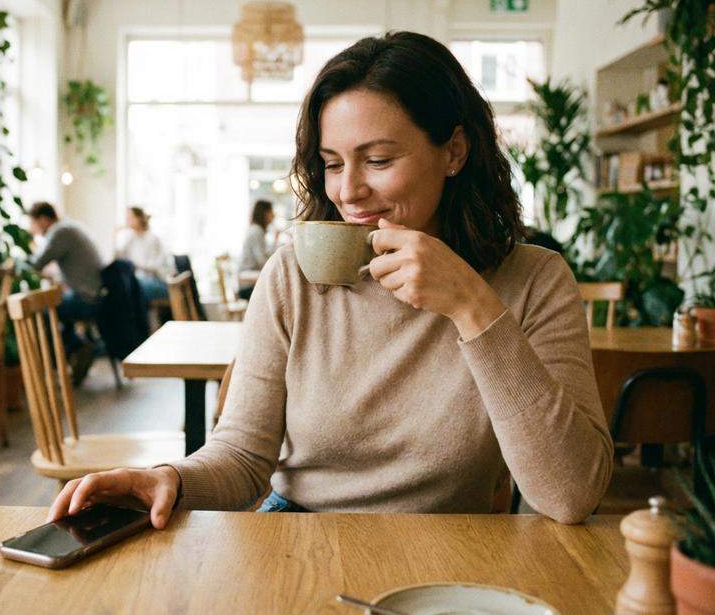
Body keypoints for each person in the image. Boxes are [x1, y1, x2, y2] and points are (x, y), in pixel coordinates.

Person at [46, 32, 613, 529]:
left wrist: (471, 306)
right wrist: (169, 477)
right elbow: (244, 455)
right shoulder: (293, 276)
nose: (347, 192)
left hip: (448, 547)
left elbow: (569, 496)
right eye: (334, 163)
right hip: (296, 533)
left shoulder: (535, 280)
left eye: (379, 160)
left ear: (454, 152)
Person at [27, 201, 104, 386]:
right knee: (56, 307)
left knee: (43, 312)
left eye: (34, 224)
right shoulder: (69, 227)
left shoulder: (60, 232)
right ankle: (77, 349)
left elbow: (36, 263)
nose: (33, 229)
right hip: (94, 293)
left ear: (44, 219)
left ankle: (75, 350)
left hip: (86, 298)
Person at [115, 207, 169, 305]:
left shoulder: (152, 239)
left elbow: (155, 267)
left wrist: (134, 265)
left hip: (158, 282)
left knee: (133, 288)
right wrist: (115, 235)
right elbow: (119, 257)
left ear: (139, 219)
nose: (127, 221)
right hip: (141, 281)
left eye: (130, 218)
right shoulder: (130, 238)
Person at [237, 200, 276, 300]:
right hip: (247, 285)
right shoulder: (256, 231)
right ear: (265, 213)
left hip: (248, 280)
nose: (274, 214)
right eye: (271, 211)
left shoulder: (256, 230)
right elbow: (262, 261)